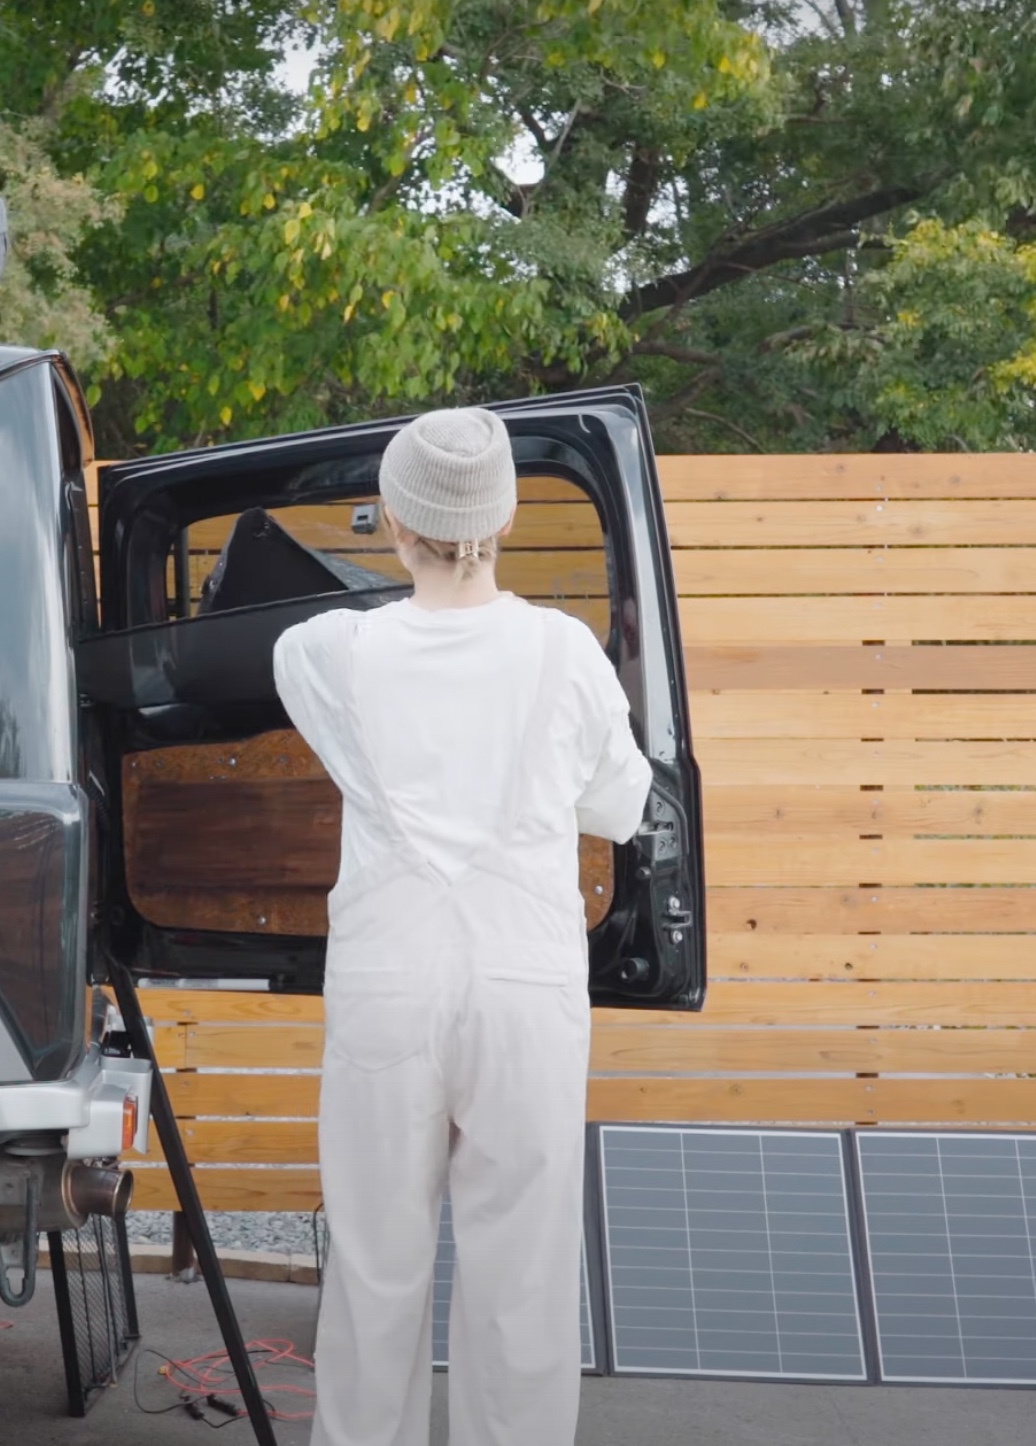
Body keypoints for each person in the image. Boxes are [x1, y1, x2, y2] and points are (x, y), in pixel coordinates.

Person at [273, 407, 652, 1446]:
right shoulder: (566, 655)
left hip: (388, 980)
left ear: (391, 518)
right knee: (520, 1277)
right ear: (509, 518)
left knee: (374, 1267)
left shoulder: (325, 653)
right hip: (525, 982)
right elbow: (620, 807)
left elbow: (316, 681)